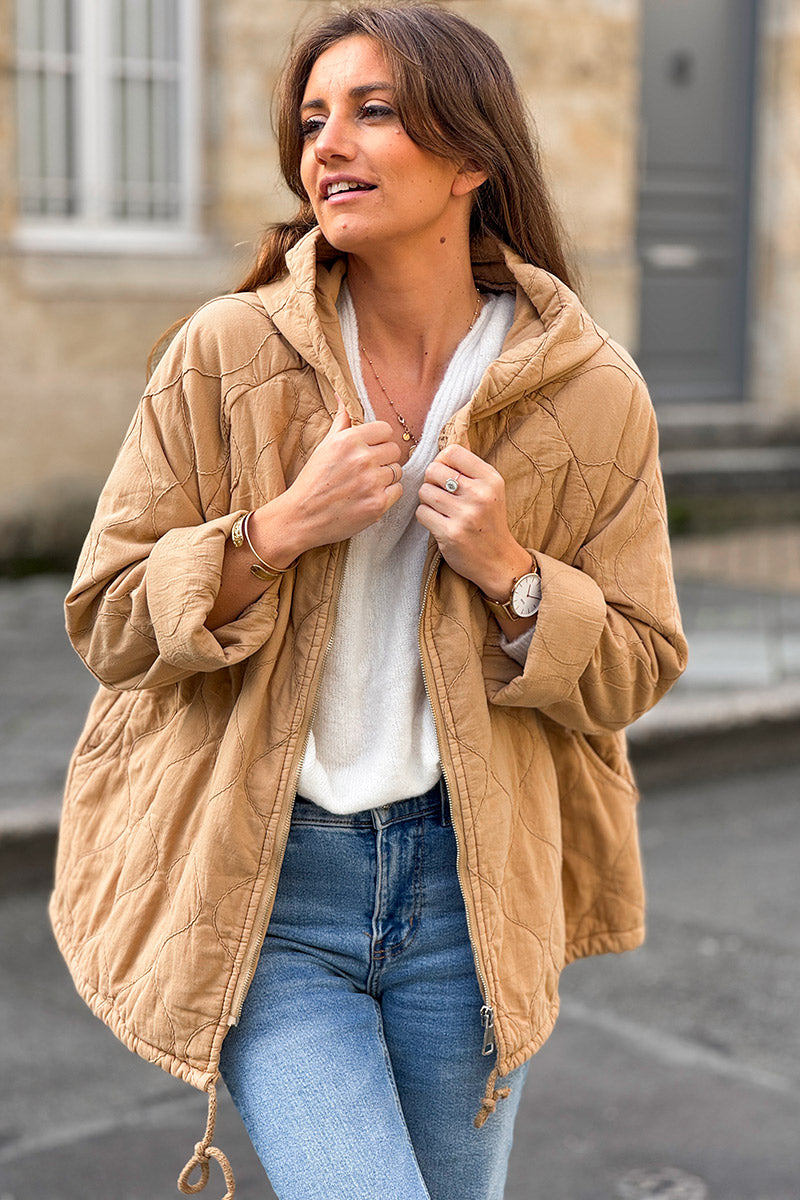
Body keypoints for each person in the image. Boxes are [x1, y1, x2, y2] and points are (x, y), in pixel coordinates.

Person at [50, 5, 688, 1199]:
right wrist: (277, 529)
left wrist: (513, 574)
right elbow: (108, 618)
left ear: (470, 158)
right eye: (310, 120)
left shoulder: (592, 392)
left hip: (469, 893)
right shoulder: (224, 351)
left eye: (372, 111)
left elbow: (639, 665)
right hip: (272, 889)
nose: (326, 145)